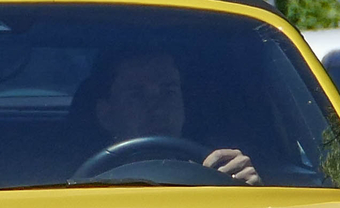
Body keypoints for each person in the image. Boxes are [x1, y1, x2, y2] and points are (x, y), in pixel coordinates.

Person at [84, 50, 257, 184]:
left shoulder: (219, 172)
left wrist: (250, 193)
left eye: (169, 91)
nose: (158, 109)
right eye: (137, 94)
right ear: (106, 115)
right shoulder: (67, 183)